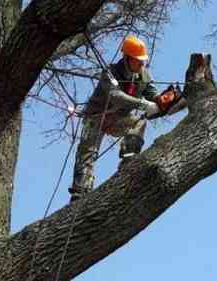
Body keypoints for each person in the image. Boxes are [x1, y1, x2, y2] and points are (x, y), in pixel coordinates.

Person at [69, 35, 180, 201]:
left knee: (139, 122)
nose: (141, 64)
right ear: (127, 57)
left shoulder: (143, 76)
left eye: (142, 60)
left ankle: (129, 160)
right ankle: (80, 191)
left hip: (118, 119)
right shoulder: (111, 73)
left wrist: (168, 100)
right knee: (87, 154)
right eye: (137, 60)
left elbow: (153, 97)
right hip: (96, 117)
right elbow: (116, 96)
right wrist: (143, 104)